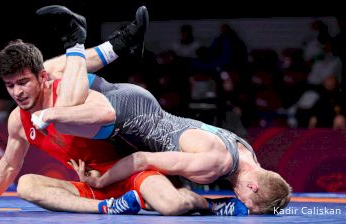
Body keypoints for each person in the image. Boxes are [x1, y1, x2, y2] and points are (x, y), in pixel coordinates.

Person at [0, 5, 247, 216]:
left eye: (23, 83)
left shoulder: (74, 92)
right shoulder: (19, 120)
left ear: (40, 79)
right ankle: (108, 208)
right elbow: (8, 164)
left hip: (129, 168)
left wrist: (52, 115)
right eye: (10, 86)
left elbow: (105, 115)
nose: (17, 92)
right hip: (93, 185)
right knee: (28, 184)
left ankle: (209, 204)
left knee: (174, 206)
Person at [32, 6, 292, 215]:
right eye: (250, 204)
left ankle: (118, 45)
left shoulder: (249, 154)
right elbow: (142, 160)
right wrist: (101, 182)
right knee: (62, 119)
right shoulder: (216, 164)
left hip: (141, 103)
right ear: (253, 186)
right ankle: (76, 40)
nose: (244, 205)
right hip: (129, 118)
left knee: (48, 72)